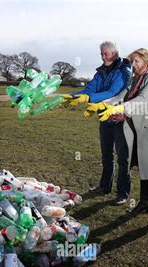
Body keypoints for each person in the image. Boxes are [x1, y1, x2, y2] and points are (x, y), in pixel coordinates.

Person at [85, 48, 148, 228]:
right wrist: (103, 104)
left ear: (146, 61)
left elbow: (143, 99)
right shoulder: (135, 80)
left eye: (137, 61)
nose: (133, 65)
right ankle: (143, 203)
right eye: (131, 62)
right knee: (146, 167)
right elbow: (121, 97)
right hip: (140, 130)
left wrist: (119, 109)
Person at [61, 41, 132, 205]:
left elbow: (113, 92)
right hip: (104, 118)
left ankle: (122, 193)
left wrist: (89, 98)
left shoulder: (124, 71)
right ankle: (104, 186)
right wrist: (73, 96)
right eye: (101, 54)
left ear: (114, 54)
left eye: (105, 54)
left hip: (121, 118)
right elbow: (90, 89)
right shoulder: (101, 72)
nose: (102, 57)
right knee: (106, 155)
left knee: (123, 159)